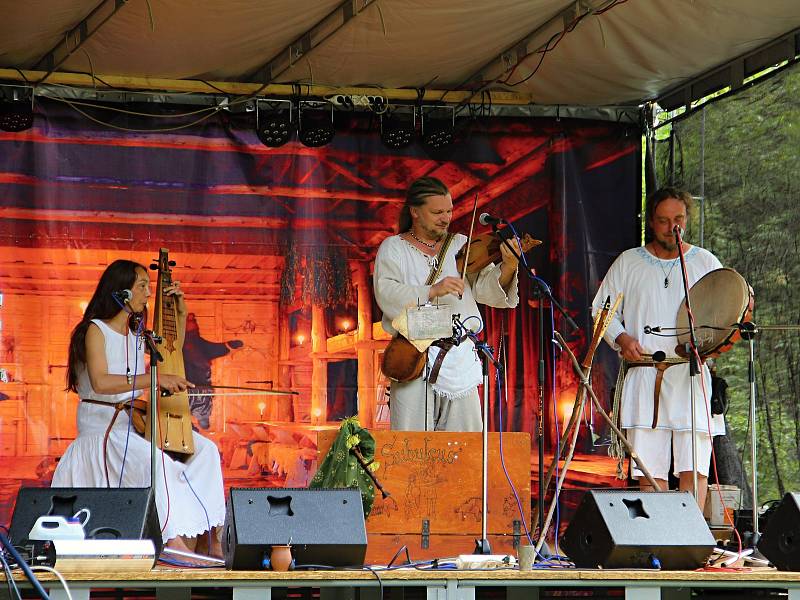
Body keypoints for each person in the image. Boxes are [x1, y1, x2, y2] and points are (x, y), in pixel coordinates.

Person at [51, 259, 226, 558]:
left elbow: (170, 353)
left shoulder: (137, 335)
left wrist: (179, 314)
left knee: (206, 452)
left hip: (133, 428)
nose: (148, 292)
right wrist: (156, 378)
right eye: (142, 285)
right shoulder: (94, 330)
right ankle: (172, 543)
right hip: (103, 434)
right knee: (161, 465)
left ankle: (209, 536)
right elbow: (102, 382)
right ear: (122, 292)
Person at [592, 187, 724, 508]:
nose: (672, 228)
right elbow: (602, 311)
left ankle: (688, 542)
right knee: (649, 470)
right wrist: (622, 339)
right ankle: (657, 544)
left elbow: (724, 312)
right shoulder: (629, 262)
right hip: (645, 375)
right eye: (664, 221)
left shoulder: (705, 262)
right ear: (652, 222)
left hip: (690, 377)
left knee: (694, 466)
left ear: (687, 218)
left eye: (678, 219)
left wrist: (712, 342)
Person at [373, 176, 519, 431]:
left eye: (449, 211)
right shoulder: (393, 248)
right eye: (437, 212)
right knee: (413, 445)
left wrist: (509, 266)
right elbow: (386, 293)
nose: (445, 217)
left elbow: (485, 288)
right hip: (414, 355)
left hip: (459, 354)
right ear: (415, 212)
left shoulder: (461, 244)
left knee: (465, 447)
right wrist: (431, 290)